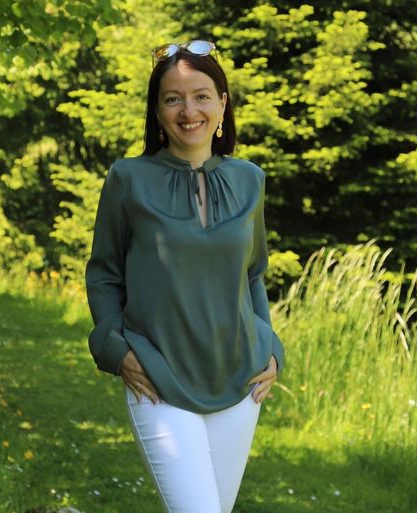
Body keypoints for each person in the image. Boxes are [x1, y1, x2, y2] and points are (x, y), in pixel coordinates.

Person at [85, 40, 285, 513]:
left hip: (241, 382)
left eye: (201, 96)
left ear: (222, 103)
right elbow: (104, 273)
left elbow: (253, 274)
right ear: (157, 111)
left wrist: (272, 347)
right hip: (158, 377)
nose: (188, 111)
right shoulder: (127, 179)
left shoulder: (250, 179)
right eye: (173, 98)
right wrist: (115, 348)